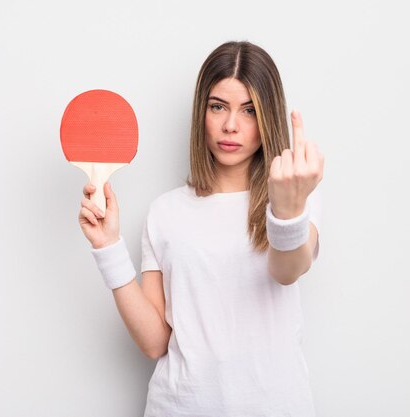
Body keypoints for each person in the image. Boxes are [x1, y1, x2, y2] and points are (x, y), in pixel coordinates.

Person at [78, 40, 324, 416]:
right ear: (201, 112)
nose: (230, 124)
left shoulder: (295, 195)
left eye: (249, 110)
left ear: (268, 117)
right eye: (218, 106)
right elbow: (155, 343)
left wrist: (287, 208)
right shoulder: (165, 212)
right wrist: (108, 247)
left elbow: (287, 269)